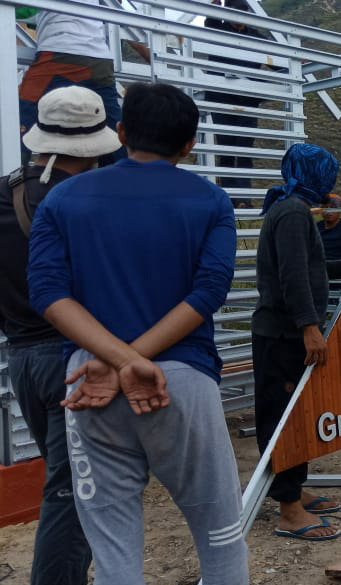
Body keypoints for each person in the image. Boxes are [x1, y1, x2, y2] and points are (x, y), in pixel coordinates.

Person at [27, 82, 249, 585]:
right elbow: (208, 292)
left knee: (112, 548)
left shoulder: (62, 199)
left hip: (88, 382)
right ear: (190, 144)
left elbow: (48, 293)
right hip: (183, 382)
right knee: (219, 535)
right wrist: (136, 360)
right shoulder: (211, 200)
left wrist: (114, 360)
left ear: (121, 132)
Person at [0, 86, 120, 585]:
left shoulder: (3, 193)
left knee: (64, 480)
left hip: (22, 360)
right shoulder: (86, 202)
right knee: (71, 495)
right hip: (74, 359)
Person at [252, 143, 341, 541]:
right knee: (284, 419)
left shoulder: (293, 210)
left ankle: (293, 491)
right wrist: (310, 327)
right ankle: (288, 510)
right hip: (283, 335)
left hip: (287, 332)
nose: (332, 182)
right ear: (314, 175)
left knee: (296, 415)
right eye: (328, 174)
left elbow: (310, 267)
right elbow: (292, 276)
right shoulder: (290, 214)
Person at [17, 0, 147, 165]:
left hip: (62, 52)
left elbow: (22, 9)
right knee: (110, 129)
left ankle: (12, 175)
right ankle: (120, 178)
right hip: (100, 59)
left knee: (22, 114)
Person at [203, 0, 268, 192]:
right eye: (234, 12)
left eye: (243, 12)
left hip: (247, 100)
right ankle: (230, 196)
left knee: (245, 148)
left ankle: (243, 199)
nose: (239, 18)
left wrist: (294, 60)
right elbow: (212, 12)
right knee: (226, 148)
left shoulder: (256, 37)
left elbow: (279, 62)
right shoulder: (217, 28)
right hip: (221, 99)